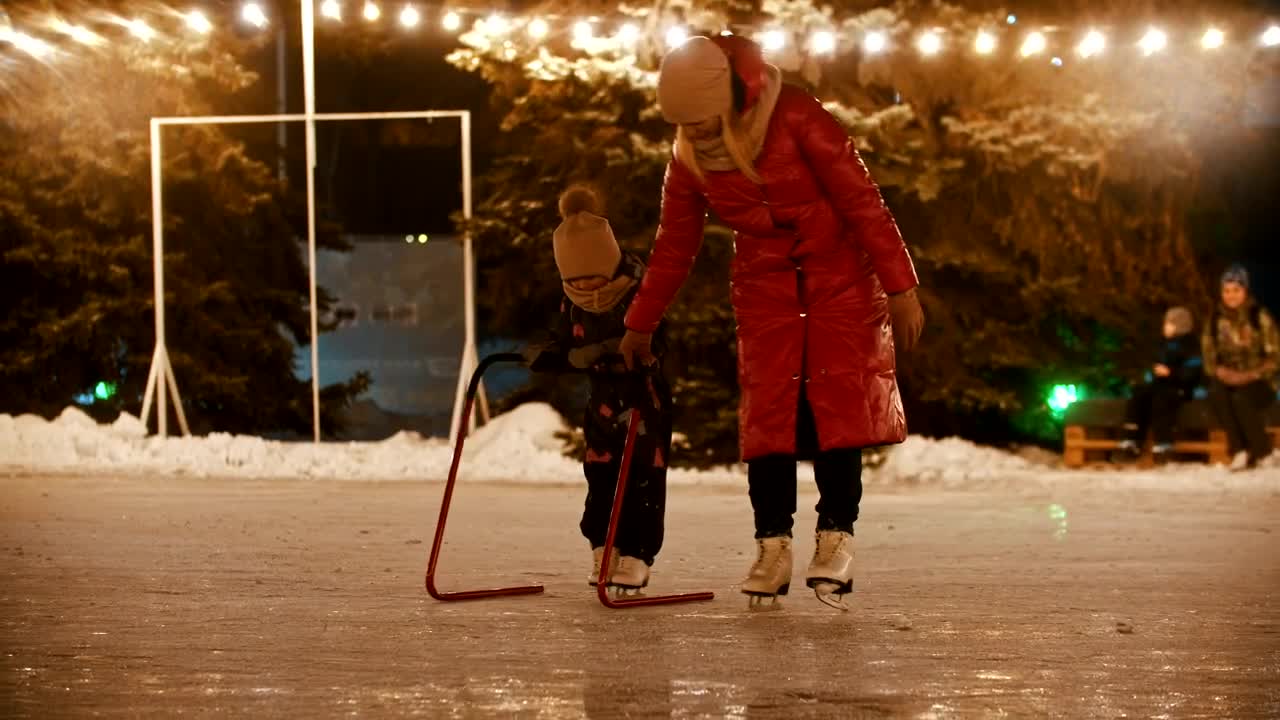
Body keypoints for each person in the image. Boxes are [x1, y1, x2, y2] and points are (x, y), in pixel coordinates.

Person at [616, 36, 924, 609]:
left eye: (702, 119)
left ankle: (836, 538)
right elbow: (674, 244)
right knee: (768, 420)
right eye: (683, 123)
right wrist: (640, 322)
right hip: (765, 290)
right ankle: (772, 546)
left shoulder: (797, 116)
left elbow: (863, 202)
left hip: (840, 280)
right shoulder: (688, 157)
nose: (694, 132)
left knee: (840, 413)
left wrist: (901, 287)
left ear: (729, 99)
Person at [524, 186, 673, 592]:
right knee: (600, 475)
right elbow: (562, 339)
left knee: (643, 476)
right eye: (574, 280)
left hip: (644, 401)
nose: (586, 287)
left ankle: (637, 553)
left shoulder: (640, 293)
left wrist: (600, 350)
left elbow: (656, 341)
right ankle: (603, 545)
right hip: (602, 403)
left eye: (592, 277)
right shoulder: (573, 300)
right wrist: (550, 354)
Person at [1202, 264, 1279, 470]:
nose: (1231, 295)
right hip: (1228, 379)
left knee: (1241, 398)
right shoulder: (1214, 319)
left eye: (1236, 290)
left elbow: (1275, 356)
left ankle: (1263, 452)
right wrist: (1220, 371)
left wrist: (1251, 375)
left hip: (1260, 381)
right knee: (1217, 393)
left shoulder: (1259, 316)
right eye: (1226, 290)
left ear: (1245, 290)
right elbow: (1209, 355)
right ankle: (1239, 451)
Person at [1115, 307, 1202, 463]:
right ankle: (1131, 440)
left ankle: (1164, 444)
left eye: (1169, 324)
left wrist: (1171, 373)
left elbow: (1192, 372)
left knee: (1162, 400)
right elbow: (1154, 364)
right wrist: (1153, 374)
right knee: (1139, 394)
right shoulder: (1163, 344)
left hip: (1180, 387)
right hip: (1160, 384)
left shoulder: (1190, 345)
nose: (1165, 327)